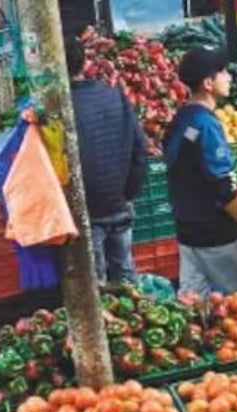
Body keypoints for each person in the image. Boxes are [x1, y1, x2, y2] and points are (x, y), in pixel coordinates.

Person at [162, 46, 237, 297]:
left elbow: (191, 173)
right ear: (208, 83)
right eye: (223, 72)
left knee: (193, 305)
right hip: (218, 236)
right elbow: (222, 189)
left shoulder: (182, 119)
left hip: (188, 234)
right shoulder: (207, 125)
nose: (229, 77)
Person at [65, 34, 149, 284]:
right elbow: (140, 149)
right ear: (84, 63)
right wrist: (128, 194)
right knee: (126, 277)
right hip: (119, 205)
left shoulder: (61, 107)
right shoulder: (115, 96)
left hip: (88, 213)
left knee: (95, 284)